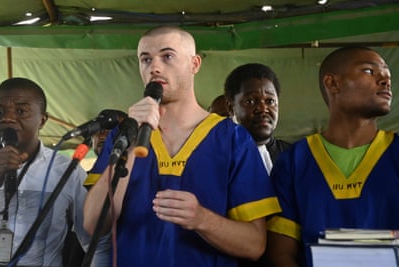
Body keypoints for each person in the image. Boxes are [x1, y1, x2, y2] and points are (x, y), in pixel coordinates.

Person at [83, 26, 281, 267]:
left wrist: (201, 219)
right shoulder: (122, 135)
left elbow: (255, 245)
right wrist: (132, 142)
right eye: (145, 59)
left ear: (195, 64)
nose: (154, 67)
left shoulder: (233, 139)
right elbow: (93, 224)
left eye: (167, 56)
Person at [265, 46, 399, 267]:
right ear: (332, 83)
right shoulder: (292, 163)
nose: (385, 80)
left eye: (387, 74)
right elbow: (281, 252)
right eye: (369, 71)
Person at [0, 77, 93, 266]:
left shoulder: (68, 171)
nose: (7, 118)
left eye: (20, 111)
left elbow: (95, 242)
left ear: (43, 120)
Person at [224, 63, 291, 175]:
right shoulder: (218, 159)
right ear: (231, 108)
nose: (263, 108)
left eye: (270, 101)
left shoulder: (294, 158)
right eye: (251, 101)